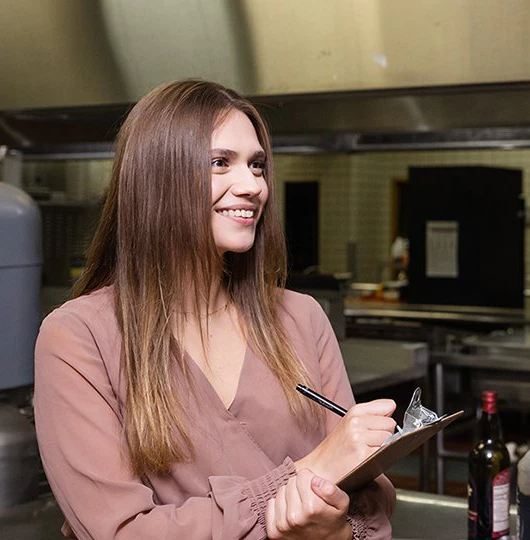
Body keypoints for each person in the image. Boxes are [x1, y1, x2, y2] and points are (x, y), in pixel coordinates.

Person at [33, 79, 398, 540]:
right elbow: (122, 532)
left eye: (258, 165)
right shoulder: (78, 336)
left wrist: (335, 533)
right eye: (220, 163)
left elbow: (370, 497)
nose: (252, 186)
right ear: (157, 178)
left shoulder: (301, 317)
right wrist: (303, 477)